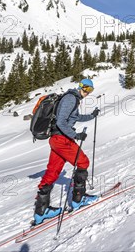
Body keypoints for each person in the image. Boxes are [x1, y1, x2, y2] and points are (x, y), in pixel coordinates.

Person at [33, 79, 101, 225]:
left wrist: (91, 115)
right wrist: (75, 135)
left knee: (52, 171)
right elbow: (61, 122)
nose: (88, 93)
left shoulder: (73, 99)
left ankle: (41, 211)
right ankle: (78, 199)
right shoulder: (71, 98)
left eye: (91, 90)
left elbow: (74, 117)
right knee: (83, 162)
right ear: (80, 86)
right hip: (62, 139)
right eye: (86, 89)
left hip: (57, 139)